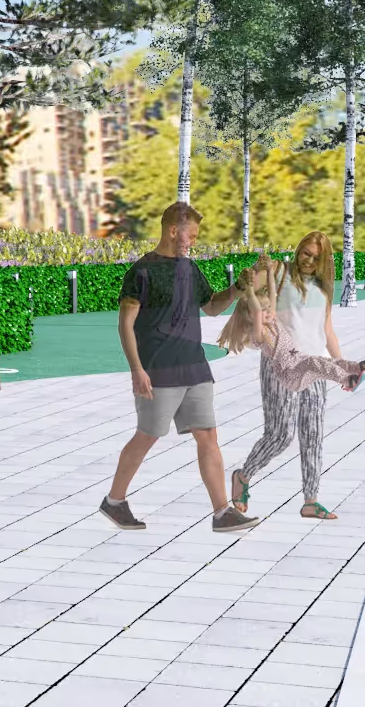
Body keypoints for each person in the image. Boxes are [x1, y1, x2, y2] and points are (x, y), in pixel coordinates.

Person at [101, 201, 263, 533]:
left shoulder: (191, 269)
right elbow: (125, 325)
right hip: (158, 370)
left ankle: (222, 512)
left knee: (208, 437)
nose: (193, 241)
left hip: (194, 366)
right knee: (146, 437)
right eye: (191, 235)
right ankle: (114, 502)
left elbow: (212, 307)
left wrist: (237, 289)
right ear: (174, 230)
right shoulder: (141, 272)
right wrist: (136, 369)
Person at [231, 232, 349, 520]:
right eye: (305, 252)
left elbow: (327, 331)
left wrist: (342, 366)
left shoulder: (323, 288)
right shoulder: (281, 272)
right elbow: (245, 292)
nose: (308, 260)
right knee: (281, 434)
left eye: (315, 257)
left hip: (315, 365)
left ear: (323, 261)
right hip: (281, 364)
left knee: (313, 435)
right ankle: (243, 476)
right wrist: (253, 278)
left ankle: (311, 500)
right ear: (298, 249)